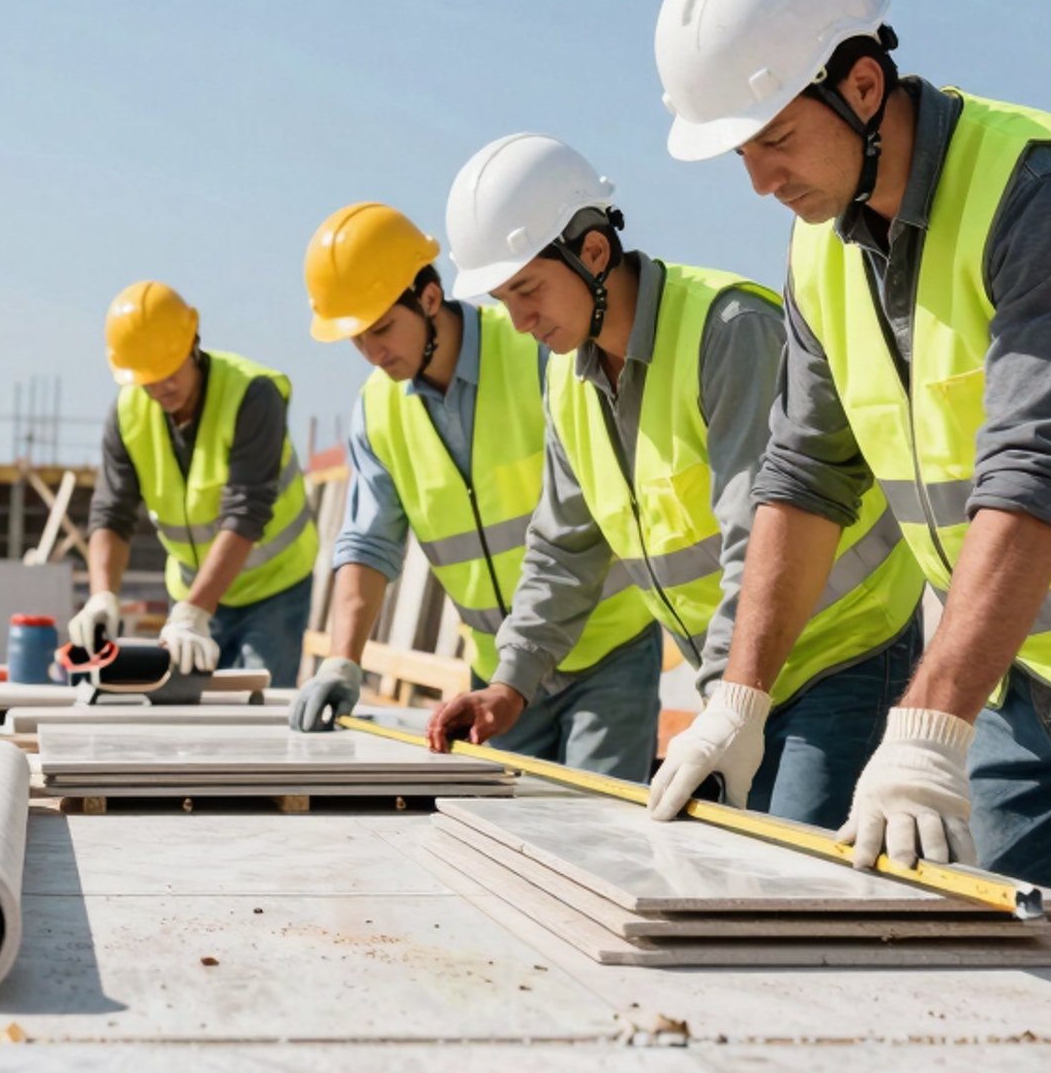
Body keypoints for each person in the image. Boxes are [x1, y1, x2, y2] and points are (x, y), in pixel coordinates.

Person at [649, 0, 1051, 969]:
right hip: (1019, 670)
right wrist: (739, 702)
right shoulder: (821, 251)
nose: (759, 180)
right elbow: (805, 477)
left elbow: (1038, 469)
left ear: (862, 86)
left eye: (775, 140)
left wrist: (923, 729)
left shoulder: (1049, 194)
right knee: (973, 958)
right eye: (741, 152)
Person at [426, 134, 924, 824]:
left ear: (593, 253)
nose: (520, 321)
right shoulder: (572, 382)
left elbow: (758, 536)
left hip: (842, 651)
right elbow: (562, 552)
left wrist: (725, 702)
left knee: (792, 881)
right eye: (505, 300)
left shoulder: (729, 332)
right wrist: (509, 684)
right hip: (739, 681)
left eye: (528, 290)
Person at [291, 201, 659, 776]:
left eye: (383, 328)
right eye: (357, 340)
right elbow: (368, 546)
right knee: (511, 838)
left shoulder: (540, 352)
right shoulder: (378, 410)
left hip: (607, 652)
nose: (372, 353)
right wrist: (343, 662)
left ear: (430, 298)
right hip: (498, 674)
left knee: (601, 830)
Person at [75, 280, 317, 685]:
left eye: (170, 370)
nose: (161, 386)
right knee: (188, 708)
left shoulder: (252, 394)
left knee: (257, 705)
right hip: (190, 589)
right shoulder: (127, 413)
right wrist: (102, 596)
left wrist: (191, 615)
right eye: (148, 378)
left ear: (194, 343)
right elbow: (111, 513)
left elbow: (247, 512)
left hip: (274, 589)